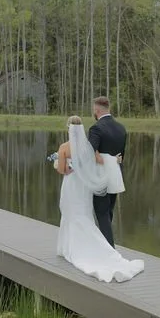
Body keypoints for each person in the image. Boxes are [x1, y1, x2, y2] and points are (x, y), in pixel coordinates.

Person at [53, 115, 144, 283]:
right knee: (84, 215)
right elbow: (97, 162)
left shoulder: (64, 147)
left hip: (71, 185)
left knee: (69, 214)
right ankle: (98, 247)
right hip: (84, 187)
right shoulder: (88, 148)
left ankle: (69, 248)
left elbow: (61, 170)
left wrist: (62, 164)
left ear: (68, 129)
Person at [87, 96, 126, 247]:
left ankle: (109, 249)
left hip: (100, 176)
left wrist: (98, 157)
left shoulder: (96, 128)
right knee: (108, 212)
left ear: (96, 110)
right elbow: (121, 156)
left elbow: (89, 152)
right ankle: (104, 245)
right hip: (115, 174)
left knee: (101, 213)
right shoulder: (121, 128)